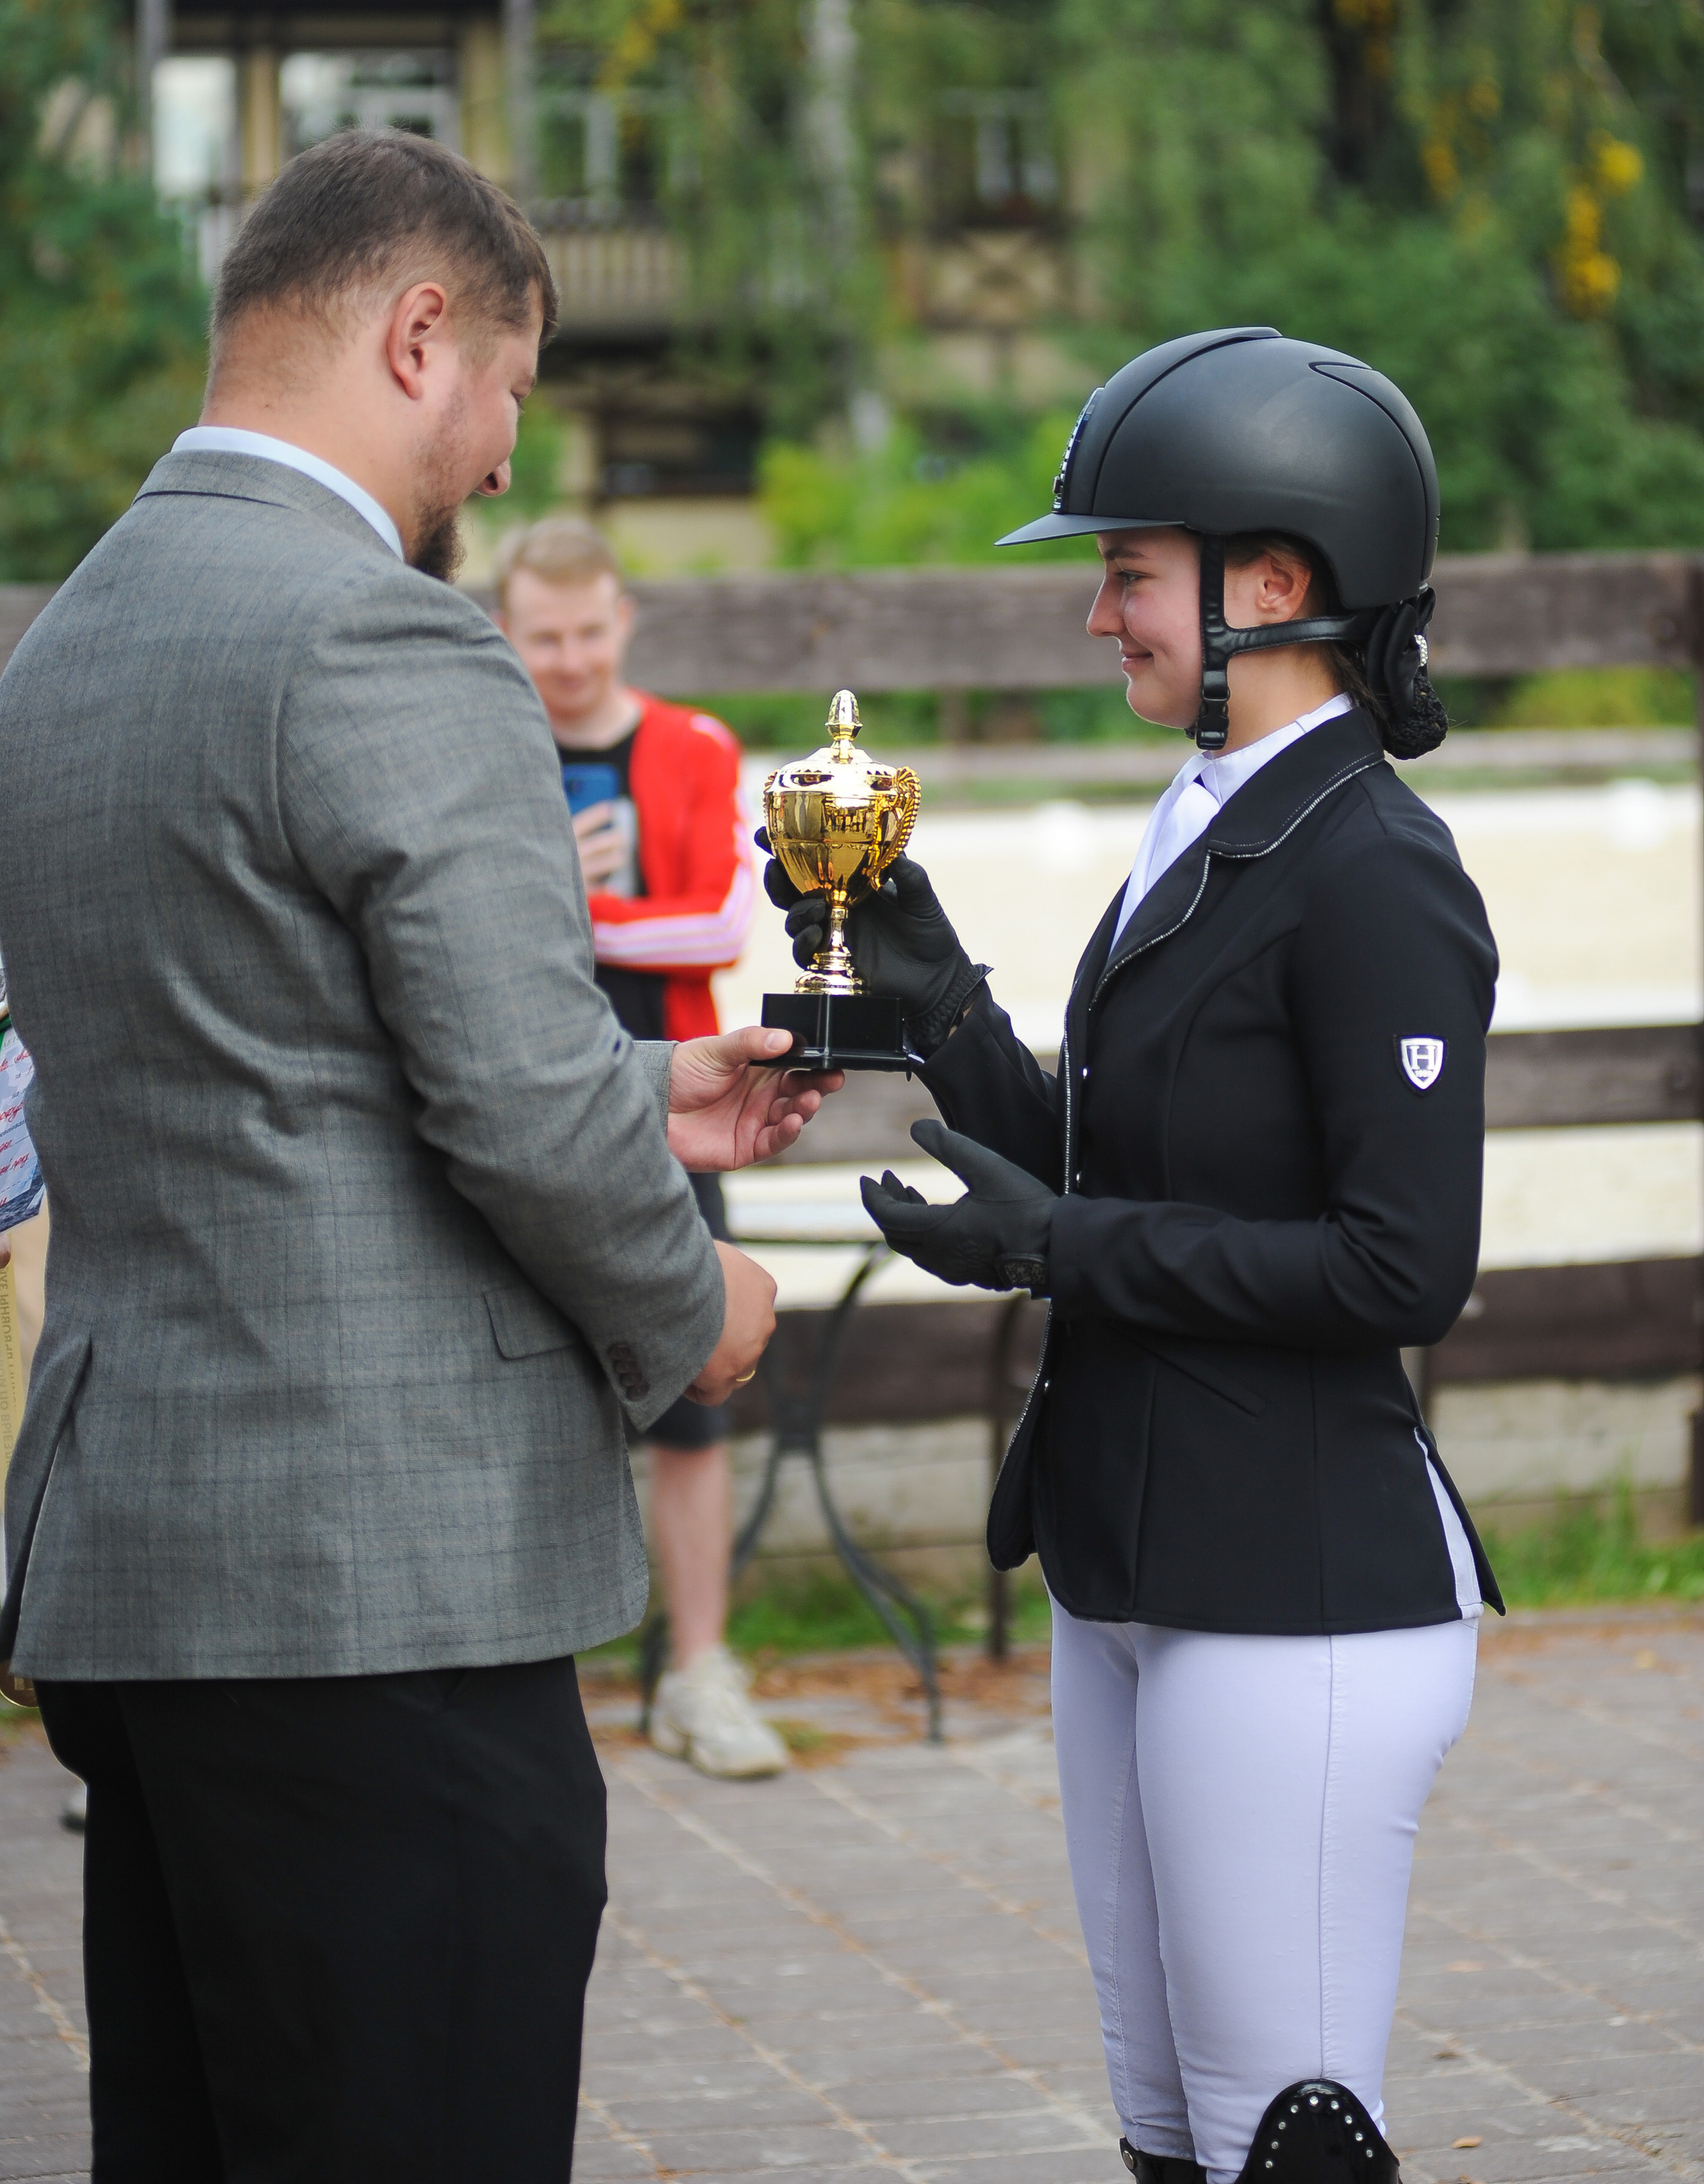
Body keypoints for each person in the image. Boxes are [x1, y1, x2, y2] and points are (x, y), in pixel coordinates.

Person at [0, 128, 837, 2184]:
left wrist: (650, 1089)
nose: (497, 469)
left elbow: (258, 1056)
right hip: (381, 1587)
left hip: (147, 1571)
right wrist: (697, 1299)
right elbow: (514, 1108)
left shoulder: (62, 649)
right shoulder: (384, 639)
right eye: (509, 405)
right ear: (418, 330)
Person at [766, 328, 1502, 2184]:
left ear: (1273, 583)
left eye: (1124, 571)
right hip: (1130, 1559)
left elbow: (1399, 1271)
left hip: (1296, 1583)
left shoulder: (1377, 870)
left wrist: (1062, 1245)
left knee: (1284, 2138)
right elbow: (1112, 1160)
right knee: (1167, 2129)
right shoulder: (1206, 821)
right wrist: (938, 1004)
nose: (1100, 615)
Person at [495, 515, 787, 1779]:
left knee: (689, 1399)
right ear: (509, 633)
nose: (565, 657)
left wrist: (563, 902)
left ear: (623, 622)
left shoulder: (692, 744)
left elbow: (719, 925)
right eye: (540, 634)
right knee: (512, 1395)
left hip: (675, 1108)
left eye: (585, 630)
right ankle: (517, 1687)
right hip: (511, 1107)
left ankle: (698, 1674)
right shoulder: (482, 739)